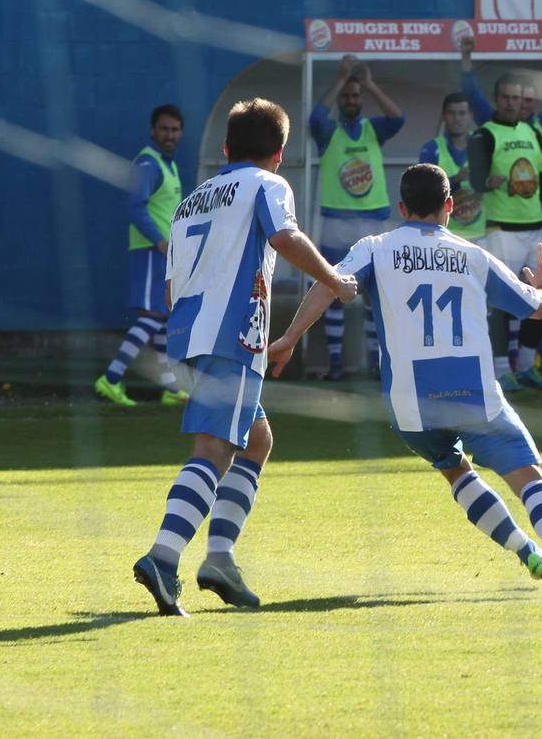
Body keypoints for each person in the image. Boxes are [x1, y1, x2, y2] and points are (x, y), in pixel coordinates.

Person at [267, 164, 542, 597]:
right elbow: (535, 308)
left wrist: (290, 337)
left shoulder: (375, 247)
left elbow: (330, 284)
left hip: (410, 403)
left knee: (455, 471)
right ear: (450, 206)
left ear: (401, 208)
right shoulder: (472, 254)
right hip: (473, 393)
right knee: (530, 479)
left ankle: (526, 554)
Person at [132, 99, 359, 616]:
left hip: (186, 335)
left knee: (256, 440)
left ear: (226, 149)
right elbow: (285, 236)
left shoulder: (193, 199)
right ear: (279, 154)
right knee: (214, 448)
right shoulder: (268, 184)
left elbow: (171, 284)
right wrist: (334, 282)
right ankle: (163, 558)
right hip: (232, 336)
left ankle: (220, 559)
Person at [309, 56, 406, 381]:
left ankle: (377, 362)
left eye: (355, 96)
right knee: (333, 290)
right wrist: (340, 79)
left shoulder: (372, 129)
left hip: (372, 222)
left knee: (374, 294)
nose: (351, 100)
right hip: (337, 223)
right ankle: (336, 363)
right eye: (346, 96)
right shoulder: (328, 132)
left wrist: (369, 84)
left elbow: (397, 118)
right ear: (339, 100)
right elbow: (314, 118)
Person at [468, 73, 542, 391]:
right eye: (506, 97)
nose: (512, 103)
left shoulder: (533, 132)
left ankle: (526, 365)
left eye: (518, 98)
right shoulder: (484, 134)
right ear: (497, 99)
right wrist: (486, 182)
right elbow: (475, 180)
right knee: (500, 301)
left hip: (535, 228)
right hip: (500, 230)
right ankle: (499, 370)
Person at [94, 104, 190, 408]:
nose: (169, 135)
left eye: (175, 130)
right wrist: (160, 241)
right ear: (152, 130)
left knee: (162, 318)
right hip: (151, 250)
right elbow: (135, 207)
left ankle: (170, 388)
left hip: (163, 250)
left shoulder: (167, 164)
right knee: (153, 316)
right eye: (164, 129)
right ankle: (111, 378)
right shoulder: (148, 164)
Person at [459, 34, 542, 157]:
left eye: (528, 100)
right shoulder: (492, 122)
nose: (523, 105)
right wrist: (466, 56)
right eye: (518, 98)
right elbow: (472, 95)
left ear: (535, 102)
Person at [418, 92, 482, 241]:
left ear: (471, 116)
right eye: (451, 113)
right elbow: (424, 193)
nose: (457, 119)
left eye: (462, 113)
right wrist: (455, 180)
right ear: (444, 116)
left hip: (481, 236)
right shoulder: (431, 148)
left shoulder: (483, 145)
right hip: (445, 236)